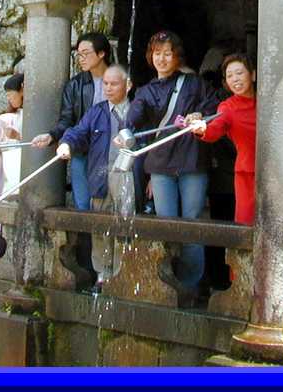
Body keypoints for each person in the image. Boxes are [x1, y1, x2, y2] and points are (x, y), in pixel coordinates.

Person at [124, 30, 218, 300]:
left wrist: (201, 115)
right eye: (157, 53)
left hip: (191, 162)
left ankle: (191, 283)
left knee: (192, 222)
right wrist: (126, 130)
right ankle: (167, 279)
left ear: (177, 56)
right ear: (150, 57)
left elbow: (214, 108)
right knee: (165, 222)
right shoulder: (146, 90)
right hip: (161, 165)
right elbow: (134, 117)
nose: (162, 59)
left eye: (168, 53)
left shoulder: (195, 83)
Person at [56, 65, 132, 289]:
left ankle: (121, 273)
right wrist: (66, 143)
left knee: (126, 225)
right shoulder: (97, 111)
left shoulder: (137, 110)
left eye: (114, 84)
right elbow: (78, 131)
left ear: (128, 85)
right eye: (105, 84)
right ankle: (102, 274)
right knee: (100, 224)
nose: (108, 88)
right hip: (100, 175)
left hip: (128, 177)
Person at [31, 33, 113, 212]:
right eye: (78, 54)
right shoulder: (75, 85)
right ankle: (84, 241)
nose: (81, 59)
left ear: (101, 54)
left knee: (108, 206)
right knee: (82, 205)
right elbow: (67, 120)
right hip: (82, 150)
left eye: (86, 53)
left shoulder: (119, 80)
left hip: (109, 152)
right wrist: (52, 136)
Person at [190, 54, 256, 225]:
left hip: (276, 173)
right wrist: (202, 129)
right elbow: (215, 128)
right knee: (246, 224)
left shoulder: (268, 102)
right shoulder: (227, 107)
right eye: (230, 75)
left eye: (240, 73)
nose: (235, 79)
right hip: (247, 173)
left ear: (253, 74)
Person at [0, 74, 24, 200]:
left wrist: (17, 135)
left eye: (10, 94)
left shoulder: (25, 115)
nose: (9, 99)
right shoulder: (9, 117)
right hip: (8, 168)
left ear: (22, 89)